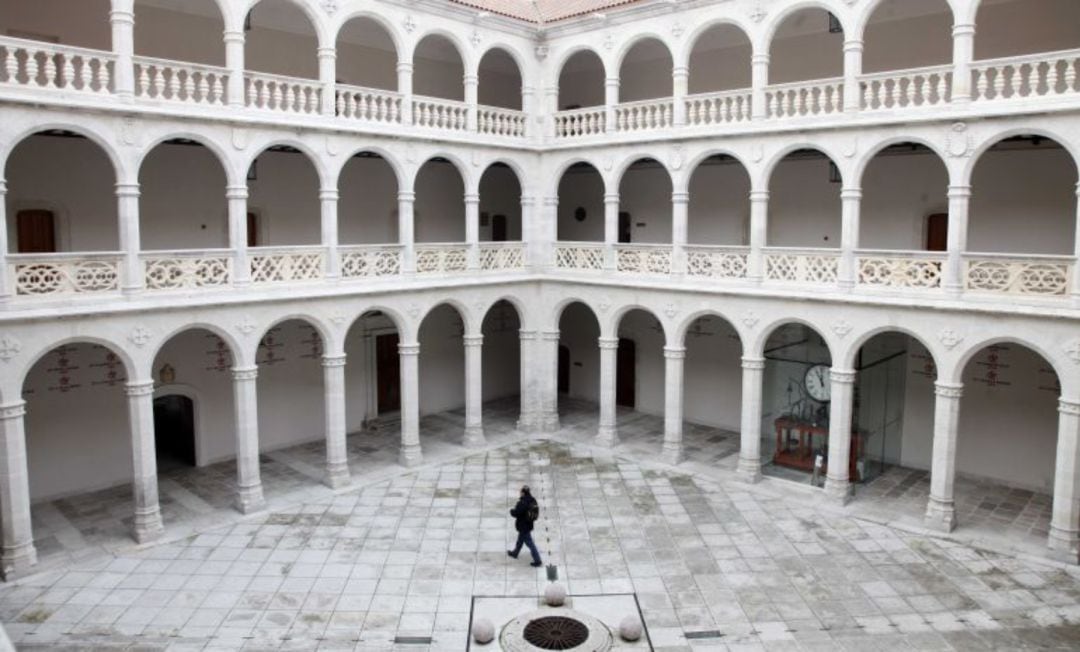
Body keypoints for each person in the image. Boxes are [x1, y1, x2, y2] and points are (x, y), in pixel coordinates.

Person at [507, 485, 543, 567]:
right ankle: (515, 553)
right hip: (528, 524)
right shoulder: (532, 499)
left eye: (520, 492)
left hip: (523, 526)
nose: (519, 493)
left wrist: (511, 511)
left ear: (523, 493)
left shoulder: (522, 502)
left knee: (530, 543)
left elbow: (516, 513)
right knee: (520, 540)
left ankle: (537, 560)